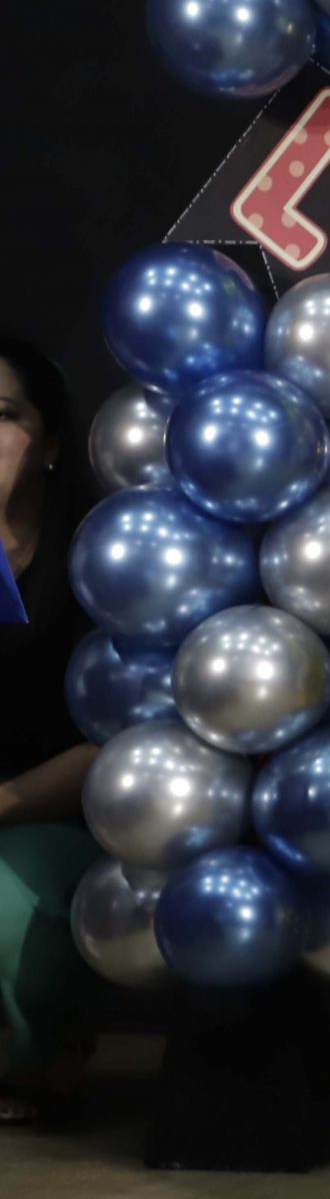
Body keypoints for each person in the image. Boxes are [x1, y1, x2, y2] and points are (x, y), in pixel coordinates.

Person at [0, 336, 103, 1129]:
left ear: (50, 444)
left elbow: (125, 739)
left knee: (12, 902)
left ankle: (42, 1057)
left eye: (3, 414)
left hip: (62, 814)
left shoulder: (100, 557)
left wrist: (6, 801)